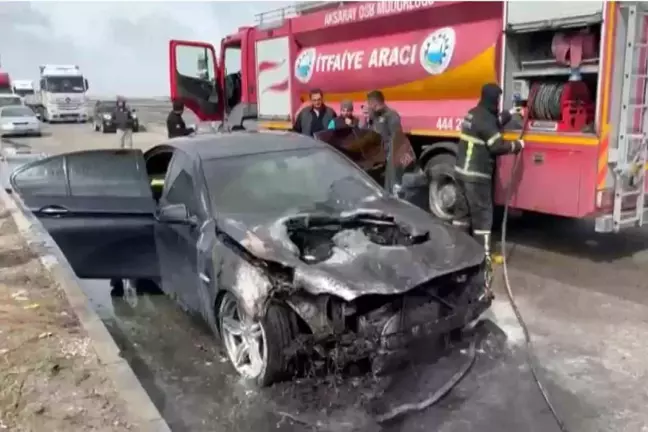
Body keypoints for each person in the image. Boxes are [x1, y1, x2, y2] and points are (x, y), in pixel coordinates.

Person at [453, 83, 525, 260]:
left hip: (461, 174)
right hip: (476, 177)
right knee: (483, 217)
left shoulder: (474, 113)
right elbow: (496, 146)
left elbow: (492, 124)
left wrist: (511, 113)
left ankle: (457, 250)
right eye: (498, 99)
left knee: (462, 215)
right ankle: (483, 258)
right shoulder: (485, 120)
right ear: (493, 99)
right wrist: (517, 145)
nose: (499, 102)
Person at [364, 90, 409, 194]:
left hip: (388, 158)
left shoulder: (391, 115)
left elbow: (397, 138)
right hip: (375, 158)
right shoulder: (373, 116)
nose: (368, 106)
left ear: (374, 103)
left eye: (369, 103)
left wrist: (391, 157)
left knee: (388, 187)